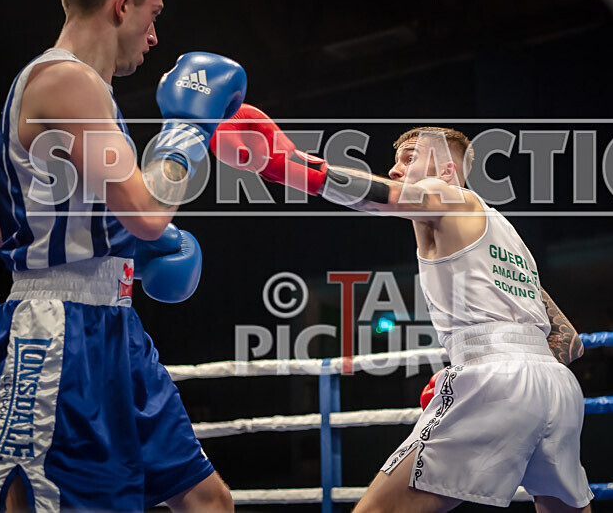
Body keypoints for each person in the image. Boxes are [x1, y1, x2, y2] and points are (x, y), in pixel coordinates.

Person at [211, 105, 593, 512]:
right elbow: (570, 341)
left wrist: (292, 166)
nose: (395, 170)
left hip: (496, 379)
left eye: (409, 158)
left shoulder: (451, 197)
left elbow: (385, 198)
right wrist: (504, 366)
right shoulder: (508, 238)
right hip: (558, 390)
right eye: (396, 161)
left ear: (446, 170)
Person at [0, 0, 246, 510]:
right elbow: (148, 213)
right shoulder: (66, 81)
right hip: (58, 333)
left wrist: (114, 248)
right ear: (122, 4)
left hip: (112, 325)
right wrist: (187, 135)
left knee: (209, 501)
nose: (154, 35)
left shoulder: (80, 92)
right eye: (153, 15)